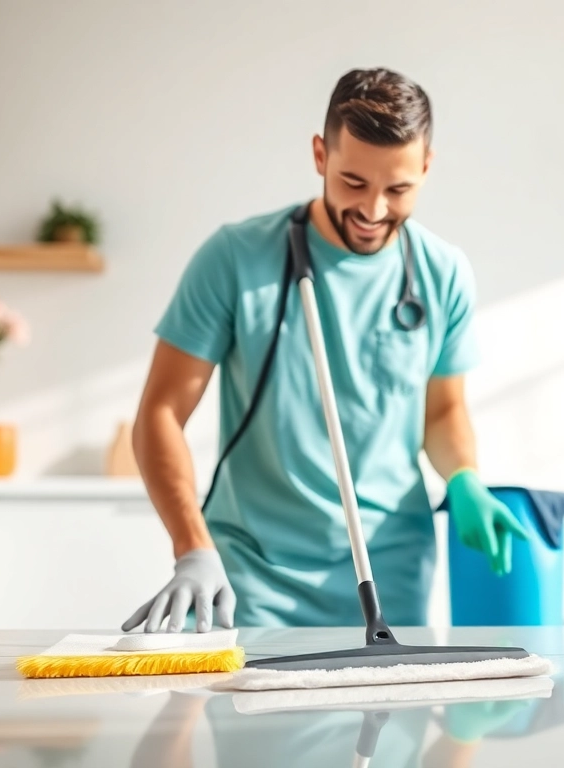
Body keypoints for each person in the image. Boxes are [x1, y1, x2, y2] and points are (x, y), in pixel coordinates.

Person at [122, 67, 528, 632]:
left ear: (427, 166)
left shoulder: (443, 273)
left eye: (399, 189)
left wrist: (464, 478)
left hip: (393, 576)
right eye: (354, 183)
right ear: (320, 155)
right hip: (255, 580)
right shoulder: (237, 259)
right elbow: (160, 413)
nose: (374, 211)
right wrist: (192, 546)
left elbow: (442, 411)